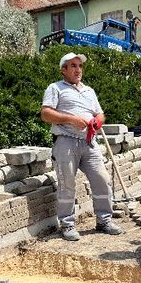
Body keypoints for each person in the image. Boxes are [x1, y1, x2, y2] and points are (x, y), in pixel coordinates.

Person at [41, 52, 124, 241]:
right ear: (63, 70)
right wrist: (71, 119)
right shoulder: (55, 88)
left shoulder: (89, 91)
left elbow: (100, 114)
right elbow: (46, 114)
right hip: (66, 141)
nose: (78, 70)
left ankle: (104, 221)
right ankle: (67, 224)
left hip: (89, 142)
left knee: (102, 179)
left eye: (80, 66)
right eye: (73, 66)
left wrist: (97, 121)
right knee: (67, 183)